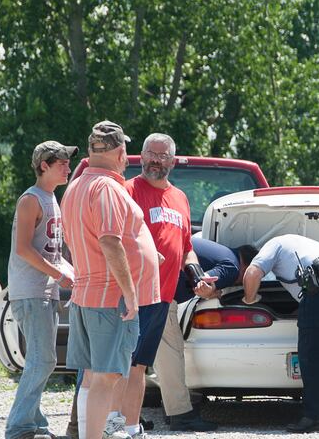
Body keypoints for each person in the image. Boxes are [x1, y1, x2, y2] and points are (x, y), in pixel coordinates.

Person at [101, 133, 216, 437]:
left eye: (162, 155)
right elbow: (112, 239)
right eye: (150, 154)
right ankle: (108, 425)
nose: (155, 160)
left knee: (138, 366)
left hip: (162, 295)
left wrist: (196, 275)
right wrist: (145, 255)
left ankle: (129, 426)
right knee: (120, 365)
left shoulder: (179, 198)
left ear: (172, 161)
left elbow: (187, 246)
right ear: (141, 155)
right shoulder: (128, 191)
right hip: (132, 295)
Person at [60, 120, 160, 439]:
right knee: (107, 378)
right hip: (109, 298)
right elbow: (108, 240)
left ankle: (102, 434)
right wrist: (130, 293)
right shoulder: (106, 187)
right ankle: (103, 435)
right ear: (121, 152)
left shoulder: (77, 184)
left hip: (87, 294)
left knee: (93, 378)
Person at [242, 234, 319, 433]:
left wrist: (249, 299)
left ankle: (316, 417)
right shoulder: (304, 243)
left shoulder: (272, 244)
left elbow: (252, 273)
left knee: (314, 354)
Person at [5, 141, 77, 439]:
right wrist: (59, 275)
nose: (68, 167)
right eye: (61, 162)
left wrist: (74, 274)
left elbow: (53, 252)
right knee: (42, 360)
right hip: (30, 292)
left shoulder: (51, 198)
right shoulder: (30, 200)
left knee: (44, 359)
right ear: (43, 165)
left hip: (44, 292)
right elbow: (23, 249)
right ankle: (19, 428)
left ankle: (36, 425)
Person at [154, 237, 257, 430]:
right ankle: (180, 415)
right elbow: (201, 284)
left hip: (148, 288)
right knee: (171, 355)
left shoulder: (222, 254)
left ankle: (124, 416)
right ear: (248, 267)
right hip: (160, 295)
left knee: (132, 359)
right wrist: (211, 293)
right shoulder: (232, 266)